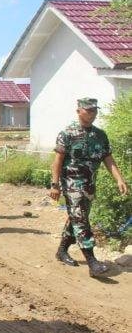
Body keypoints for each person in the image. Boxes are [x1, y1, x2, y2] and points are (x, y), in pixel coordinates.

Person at [50, 98, 128, 277]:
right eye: (89, 110)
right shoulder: (67, 133)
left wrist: (119, 179)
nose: (93, 114)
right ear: (79, 111)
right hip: (71, 185)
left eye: (95, 110)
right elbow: (58, 162)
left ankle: (61, 250)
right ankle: (92, 261)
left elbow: (108, 159)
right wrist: (55, 185)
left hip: (89, 185)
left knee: (77, 217)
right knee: (81, 220)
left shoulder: (100, 135)